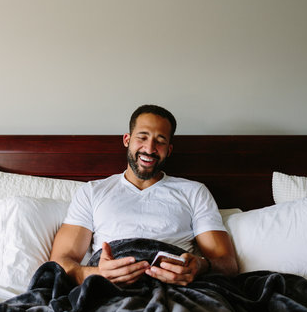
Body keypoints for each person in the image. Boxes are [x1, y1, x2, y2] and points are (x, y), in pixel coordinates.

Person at [50, 104, 238, 287]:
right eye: (142, 137)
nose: (149, 148)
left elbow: (228, 264)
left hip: (175, 289)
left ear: (169, 150)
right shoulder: (92, 192)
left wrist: (200, 266)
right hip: (107, 289)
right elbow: (60, 262)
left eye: (160, 141)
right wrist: (98, 274)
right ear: (127, 140)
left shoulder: (194, 192)